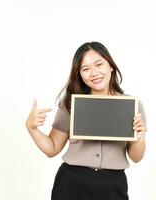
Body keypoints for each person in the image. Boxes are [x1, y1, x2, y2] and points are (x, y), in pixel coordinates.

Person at [25, 41, 147, 200]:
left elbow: (136, 157)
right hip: (72, 184)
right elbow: (52, 148)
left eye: (98, 64)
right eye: (85, 69)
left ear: (110, 65)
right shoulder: (70, 104)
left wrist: (140, 134)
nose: (94, 72)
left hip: (112, 185)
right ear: (80, 74)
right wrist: (31, 128)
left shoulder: (132, 105)